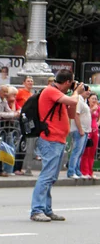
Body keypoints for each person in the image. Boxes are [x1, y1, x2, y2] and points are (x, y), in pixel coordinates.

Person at [30, 70, 82, 222]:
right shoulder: (50, 90)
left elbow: (71, 113)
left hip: (58, 140)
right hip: (50, 139)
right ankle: (37, 210)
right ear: (67, 82)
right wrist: (77, 92)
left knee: (51, 177)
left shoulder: (61, 96)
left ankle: (46, 209)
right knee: (46, 176)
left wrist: (74, 93)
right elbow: (73, 101)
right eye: (71, 82)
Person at [67, 86, 92, 179]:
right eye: (87, 90)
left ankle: (77, 171)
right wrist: (80, 129)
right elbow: (76, 115)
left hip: (85, 130)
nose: (88, 92)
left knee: (80, 152)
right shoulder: (79, 100)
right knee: (76, 152)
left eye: (90, 91)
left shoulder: (84, 101)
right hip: (79, 130)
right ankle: (71, 171)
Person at [81, 93, 99, 179]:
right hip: (88, 130)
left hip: (95, 131)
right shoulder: (87, 108)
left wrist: (97, 124)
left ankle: (90, 171)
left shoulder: (98, 108)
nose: (94, 100)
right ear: (89, 99)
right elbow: (86, 116)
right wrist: (92, 110)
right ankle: (84, 171)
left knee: (92, 152)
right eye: (93, 98)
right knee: (86, 152)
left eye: (95, 99)